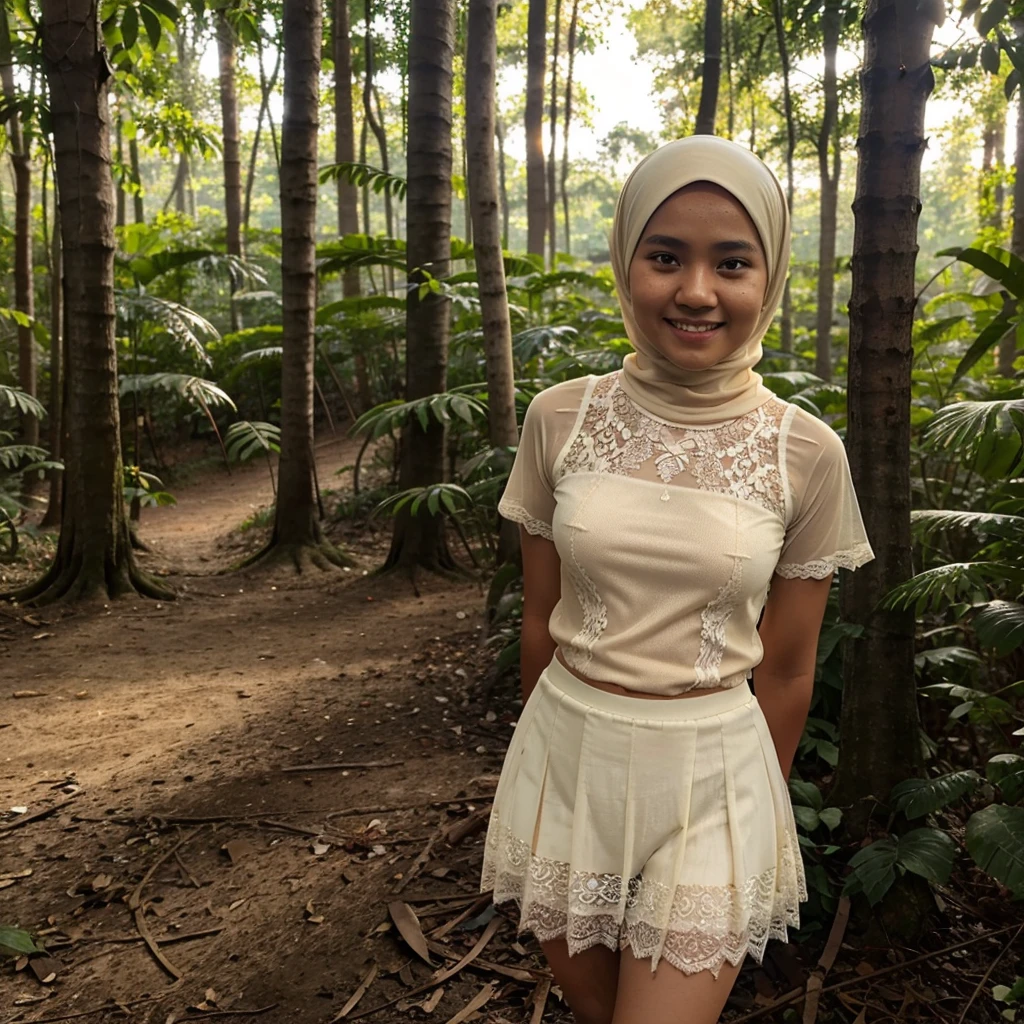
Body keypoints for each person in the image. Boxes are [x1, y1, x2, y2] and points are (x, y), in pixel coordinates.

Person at [479, 135, 875, 1024]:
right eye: (666, 257)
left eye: (731, 262)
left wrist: (753, 822)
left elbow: (786, 666)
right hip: (567, 757)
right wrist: (541, 764)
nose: (696, 291)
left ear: (766, 280)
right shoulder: (560, 419)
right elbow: (539, 618)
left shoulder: (806, 452)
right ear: (627, 263)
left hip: (716, 780)